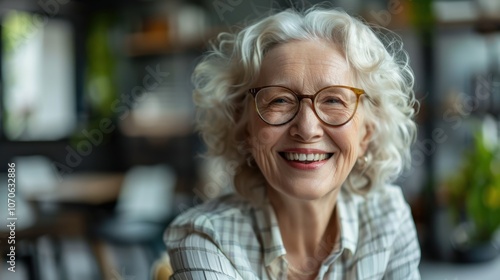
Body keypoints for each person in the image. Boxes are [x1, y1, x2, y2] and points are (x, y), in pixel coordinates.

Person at [164, 5, 421, 280]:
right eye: (280, 100)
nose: (307, 129)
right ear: (244, 127)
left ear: (366, 133)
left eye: (334, 100)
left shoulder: (388, 217)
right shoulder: (205, 239)